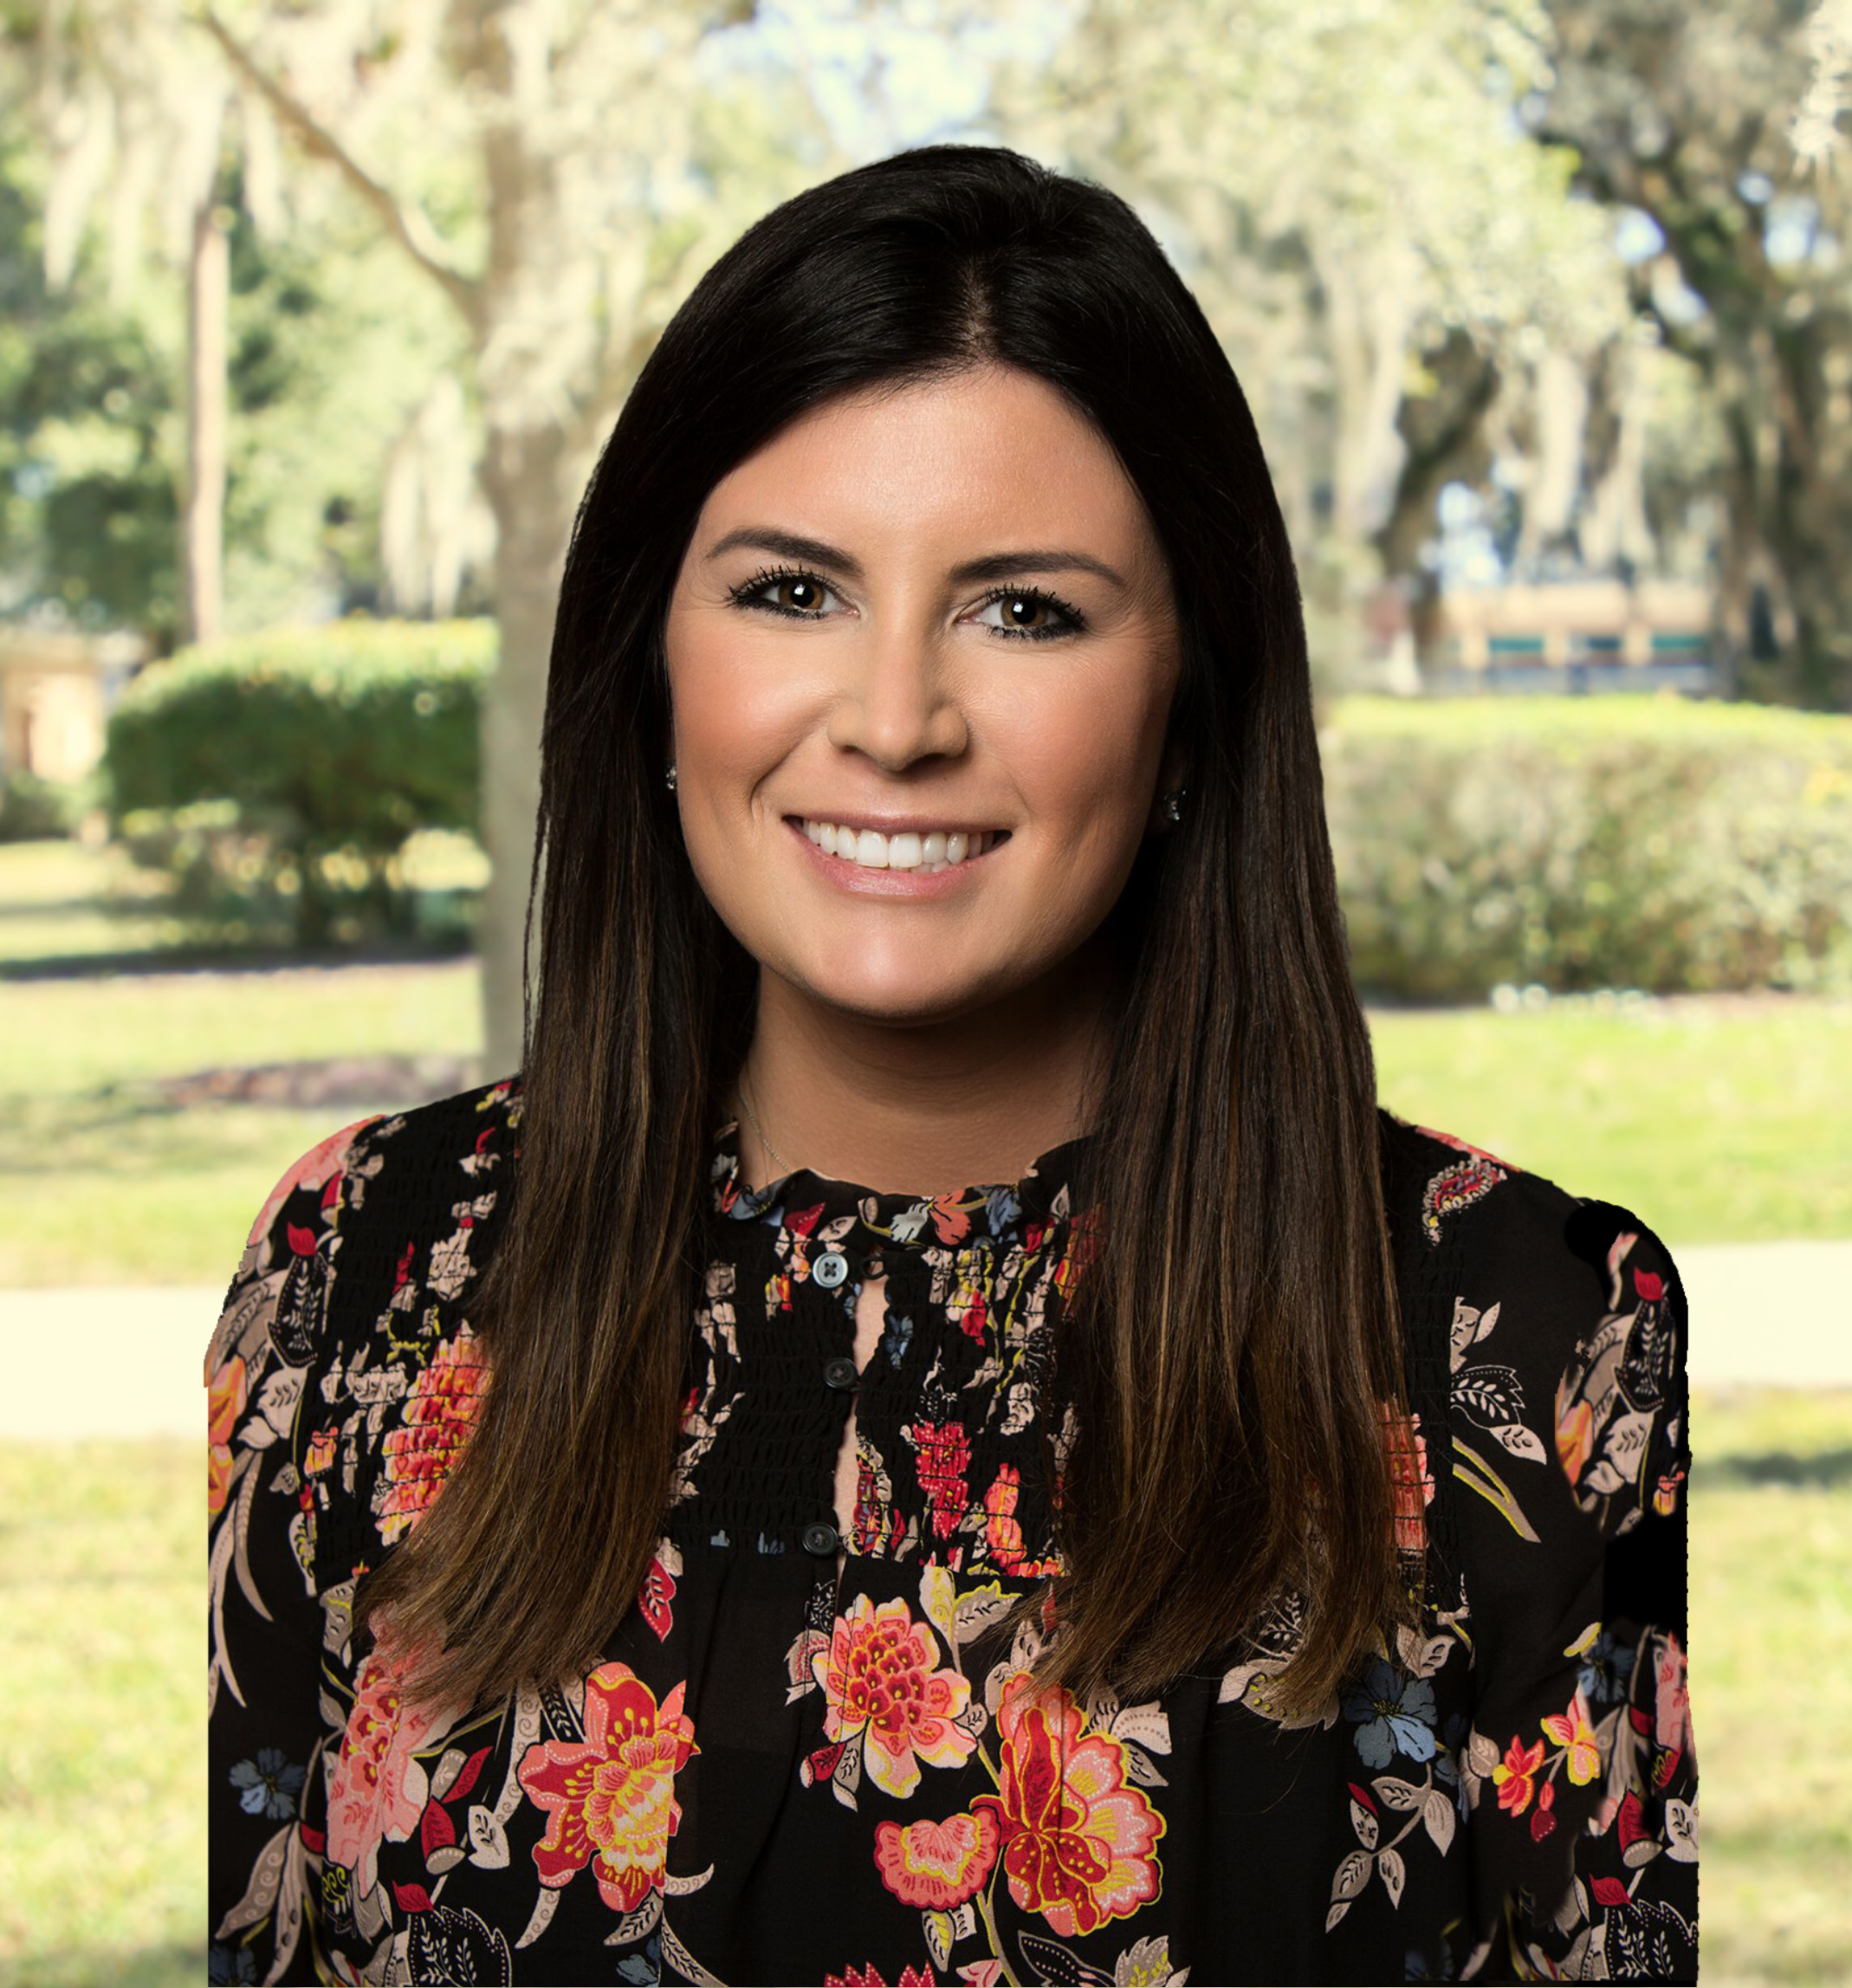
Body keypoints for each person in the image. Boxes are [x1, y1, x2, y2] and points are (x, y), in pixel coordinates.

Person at [207, 145, 1696, 1986]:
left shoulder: (1527, 1338)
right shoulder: (362, 1269)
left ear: (1187, 707)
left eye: (1024, 611)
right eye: (790, 592)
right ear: (651, 655)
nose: (896, 721)